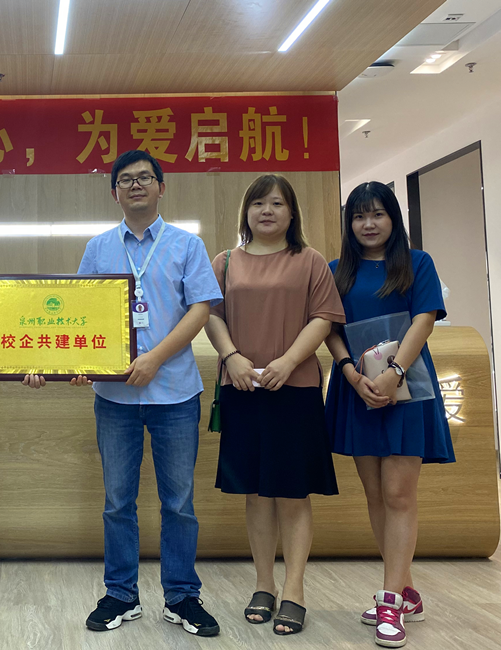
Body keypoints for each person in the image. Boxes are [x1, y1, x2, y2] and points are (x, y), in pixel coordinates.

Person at [25, 150, 224, 637]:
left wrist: (155, 358)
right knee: (118, 502)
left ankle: (182, 596)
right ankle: (121, 594)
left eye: (145, 178)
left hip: (175, 392)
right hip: (115, 398)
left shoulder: (187, 244)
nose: (136, 185)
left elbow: (200, 310)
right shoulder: (98, 248)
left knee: (179, 503)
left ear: (161, 187)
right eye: (126, 180)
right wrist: (78, 366)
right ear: (114, 192)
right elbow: (79, 315)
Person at [204, 174, 345, 636]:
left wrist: (288, 361)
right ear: (246, 211)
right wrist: (232, 357)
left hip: (295, 388)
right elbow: (212, 315)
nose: (267, 211)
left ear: (291, 213)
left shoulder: (310, 261)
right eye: (258, 203)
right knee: (256, 492)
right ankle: (263, 584)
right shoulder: (226, 261)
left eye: (277, 203)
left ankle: (295, 589)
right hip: (243, 388)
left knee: (292, 491)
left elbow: (324, 318)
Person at [324, 182, 453, 649]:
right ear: (349, 223)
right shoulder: (336, 270)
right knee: (376, 494)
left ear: (393, 218)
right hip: (358, 387)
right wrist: (349, 372)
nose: (369, 224)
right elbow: (329, 328)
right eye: (359, 216)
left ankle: (390, 602)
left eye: (378, 214)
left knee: (399, 493)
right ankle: (405, 591)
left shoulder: (418, 263)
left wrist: (394, 372)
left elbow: (424, 319)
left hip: (407, 385)